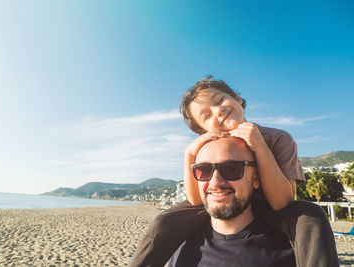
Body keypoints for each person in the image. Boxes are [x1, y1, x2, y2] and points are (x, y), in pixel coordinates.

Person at [129, 76, 338, 267]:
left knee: (310, 216)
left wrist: (259, 146)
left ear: (237, 98)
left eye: (220, 101)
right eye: (207, 115)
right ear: (204, 130)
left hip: (270, 208)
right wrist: (189, 155)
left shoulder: (278, 138)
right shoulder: (207, 147)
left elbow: (282, 201)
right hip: (221, 202)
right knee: (164, 221)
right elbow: (195, 202)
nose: (218, 111)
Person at [167, 137, 296, 267]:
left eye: (231, 169)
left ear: (255, 177)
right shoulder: (179, 248)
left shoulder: (290, 252)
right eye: (204, 170)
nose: (215, 182)